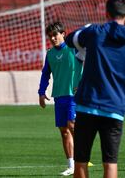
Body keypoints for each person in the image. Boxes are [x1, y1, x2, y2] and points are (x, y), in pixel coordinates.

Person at [65, 0, 125, 178]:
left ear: (106, 13)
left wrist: (87, 29)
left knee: (81, 161)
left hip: (88, 104)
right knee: (111, 162)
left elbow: (70, 40)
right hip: (115, 107)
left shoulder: (95, 32)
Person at [38, 22, 83, 176]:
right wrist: (41, 92)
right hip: (59, 96)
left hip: (74, 96)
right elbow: (45, 74)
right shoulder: (50, 54)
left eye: (55, 35)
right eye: (50, 36)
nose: (52, 38)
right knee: (64, 131)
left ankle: (81, 159)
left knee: (72, 126)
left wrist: (83, 83)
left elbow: (88, 65)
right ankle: (71, 165)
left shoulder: (75, 49)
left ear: (63, 34)